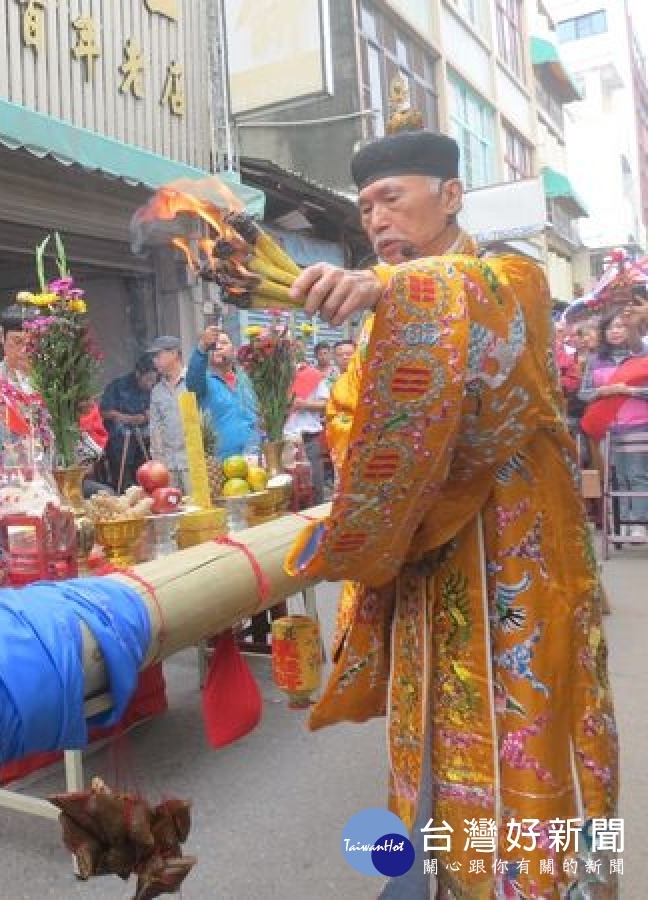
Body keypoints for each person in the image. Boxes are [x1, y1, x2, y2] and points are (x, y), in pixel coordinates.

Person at [285, 126, 618, 896]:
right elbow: (347, 417)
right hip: (426, 572)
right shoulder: (378, 323)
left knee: (539, 721)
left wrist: (392, 288)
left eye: (390, 199)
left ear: (451, 196)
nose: (375, 220)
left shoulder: (511, 278)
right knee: (433, 735)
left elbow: (490, 305)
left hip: (517, 567)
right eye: (365, 207)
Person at [0, 304, 106, 494]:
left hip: (63, 484)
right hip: (8, 492)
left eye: (32, 343)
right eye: (17, 341)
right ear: (1, 336)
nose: (25, 350)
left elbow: (91, 434)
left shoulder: (64, 380)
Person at [578, 309, 648, 538]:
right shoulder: (596, 359)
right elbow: (583, 393)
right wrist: (601, 391)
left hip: (639, 424)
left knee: (636, 474)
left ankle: (639, 522)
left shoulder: (642, 354)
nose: (615, 332)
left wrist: (630, 390)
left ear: (630, 329)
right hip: (607, 427)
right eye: (610, 328)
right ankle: (621, 521)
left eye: (620, 326)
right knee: (616, 476)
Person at [185, 325, 259, 459]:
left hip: (253, 458)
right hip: (220, 464)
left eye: (224, 343)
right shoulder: (203, 382)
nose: (218, 347)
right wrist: (202, 347)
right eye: (213, 345)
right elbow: (192, 379)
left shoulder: (246, 380)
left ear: (234, 351)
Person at [99, 353, 156, 491]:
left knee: (147, 480)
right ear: (138, 374)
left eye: (153, 380)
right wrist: (128, 419)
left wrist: (148, 415)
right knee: (123, 484)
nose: (151, 384)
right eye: (148, 380)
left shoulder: (156, 388)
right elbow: (104, 412)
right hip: (120, 444)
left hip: (145, 443)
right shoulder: (118, 386)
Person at [147, 335, 191, 493]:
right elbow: (155, 428)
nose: (154, 361)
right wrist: (157, 463)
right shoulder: (157, 391)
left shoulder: (193, 382)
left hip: (193, 460)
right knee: (172, 508)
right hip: (168, 465)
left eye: (158, 355)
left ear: (174, 354)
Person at [285, 351, 329, 505]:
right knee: (288, 489)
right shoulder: (273, 376)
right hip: (285, 441)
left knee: (315, 485)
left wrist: (304, 404)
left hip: (309, 438)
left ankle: (317, 524)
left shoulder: (312, 375)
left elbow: (326, 405)